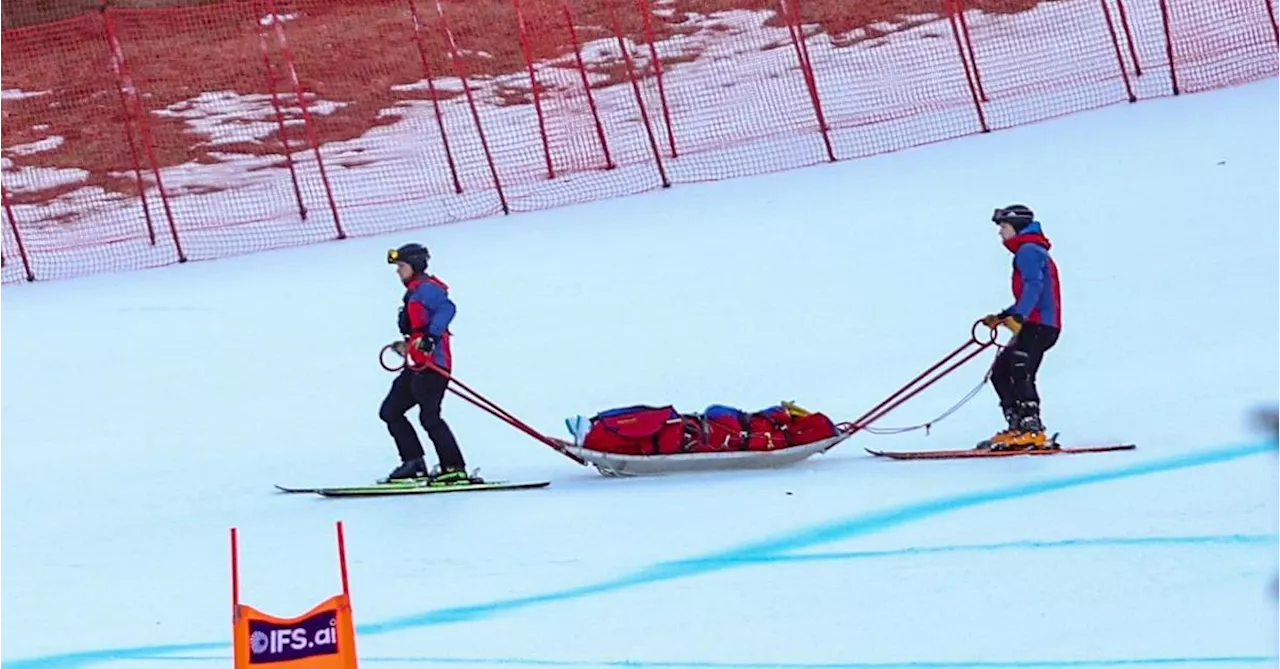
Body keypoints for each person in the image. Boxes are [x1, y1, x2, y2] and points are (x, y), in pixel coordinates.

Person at [379, 242, 470, 483]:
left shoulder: (427, 289)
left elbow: (447, 309)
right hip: (417, 365)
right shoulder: (415, 291)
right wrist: (407, 346)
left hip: (435, 367)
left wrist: (430, 337)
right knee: (391, 411)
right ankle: (413, 463)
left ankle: (454, 468)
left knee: (430, 417)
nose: (398, 271)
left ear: (415, 266)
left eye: (401, 266)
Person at [978, 204, 1062, 450]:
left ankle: (1031, 429)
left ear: (1016, 227)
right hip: (1034, 323)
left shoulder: (1028, 251)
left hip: (1040, 324)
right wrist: (1004, 316)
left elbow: (1034, 287)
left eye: (1003, 227)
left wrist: (1019, 316)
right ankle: (1017, 426)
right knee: (1001, 372)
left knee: (1019, 369)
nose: (1000, 233)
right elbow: (1030, 291)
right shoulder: (1030, 250)